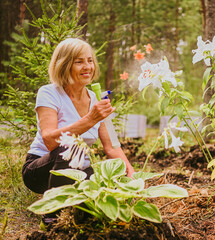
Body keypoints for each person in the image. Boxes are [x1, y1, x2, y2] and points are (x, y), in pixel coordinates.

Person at [22, 38, 134, 196]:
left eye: (90, 60)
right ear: (64, 65)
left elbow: (111, 147)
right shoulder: (49, 93)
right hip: (40, 169)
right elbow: (49, 141)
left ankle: (77, 212)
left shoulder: (96, 99)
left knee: (114, 178)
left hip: (78, 169)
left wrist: (130, 173)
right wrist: (90, 119)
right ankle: (52, 216)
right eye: (79, 62)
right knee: (71, 146)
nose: (88, 67)